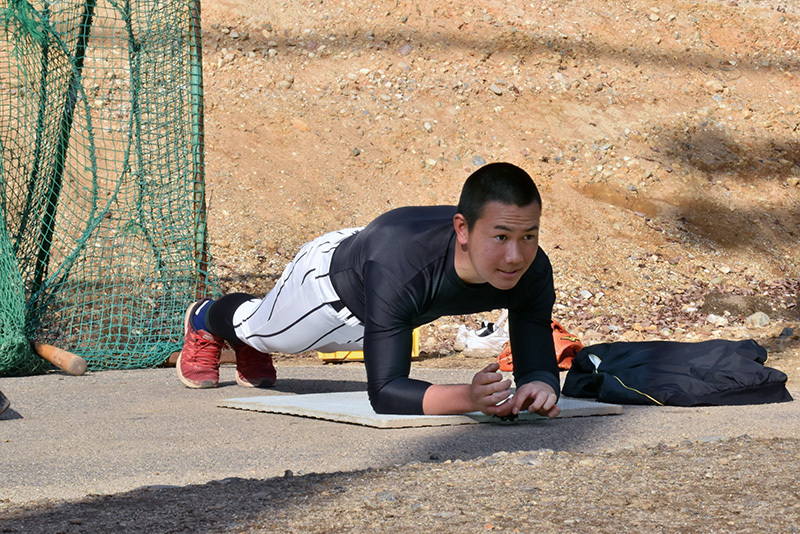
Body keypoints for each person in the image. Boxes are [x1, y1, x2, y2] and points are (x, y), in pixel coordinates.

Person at [177, 162, 561, 418]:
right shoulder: (402, 265)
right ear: (462, 229)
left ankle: (246, 342)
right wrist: (469, 399)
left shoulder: (532, 266)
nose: (515, 255)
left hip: (379, 270)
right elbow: (385, 393)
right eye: (500, 236)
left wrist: (540, 388)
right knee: (259, 330)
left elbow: (538, 365)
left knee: (267, 335)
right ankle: (206, 317)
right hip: (328, 289)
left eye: (529, 235)